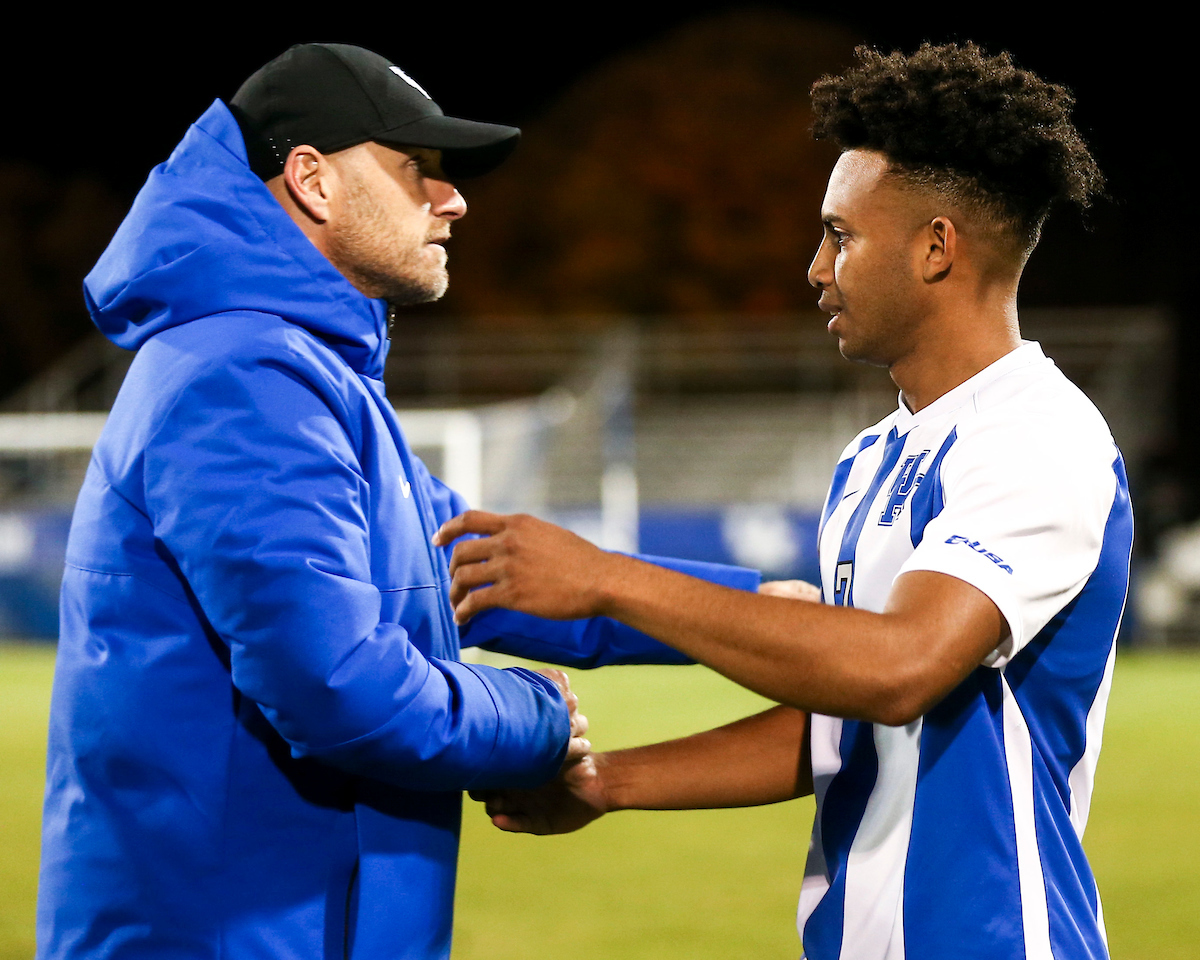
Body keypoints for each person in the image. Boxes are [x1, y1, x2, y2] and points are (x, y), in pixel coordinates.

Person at [36, 43, 759, 960]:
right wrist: (533, 717)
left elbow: (474, 570)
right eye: (418, 169)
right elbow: (334, 687)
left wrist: (746, 611)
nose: (452, 200)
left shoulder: (296, 370)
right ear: (312, 180)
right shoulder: (245, 372)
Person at [435, 42, 1124, 960]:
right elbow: (842, 720)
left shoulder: (1039, 437)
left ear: (936, 248)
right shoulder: (875, 456)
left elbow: (900, 667)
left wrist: (608, 581)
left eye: (841, 235)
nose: (815, 268)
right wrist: (610, 782)